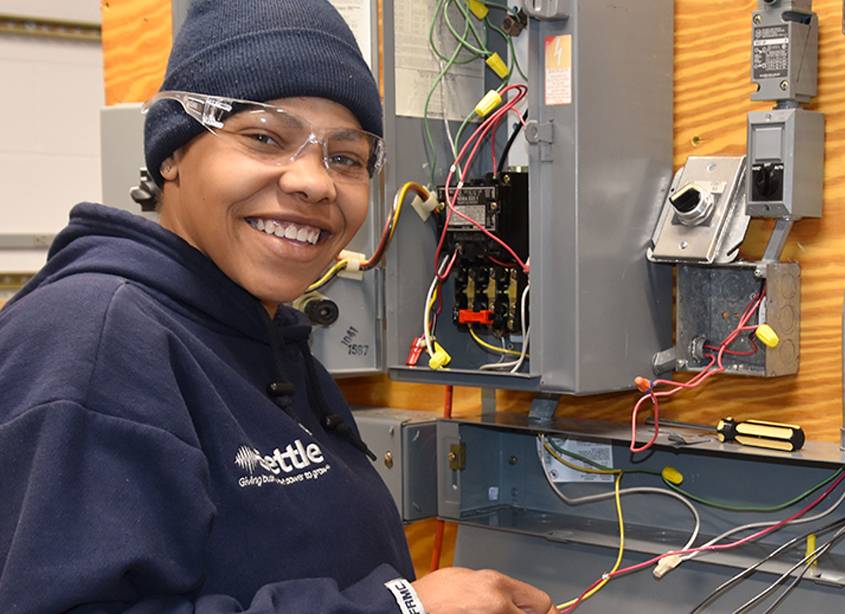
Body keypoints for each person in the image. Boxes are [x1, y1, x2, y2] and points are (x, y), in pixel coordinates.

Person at [0, 1, 555, 612]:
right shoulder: (95, 340)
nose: (315, 182)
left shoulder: (259, 335)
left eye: (345, 158)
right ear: (171, 154)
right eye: (265, 137)